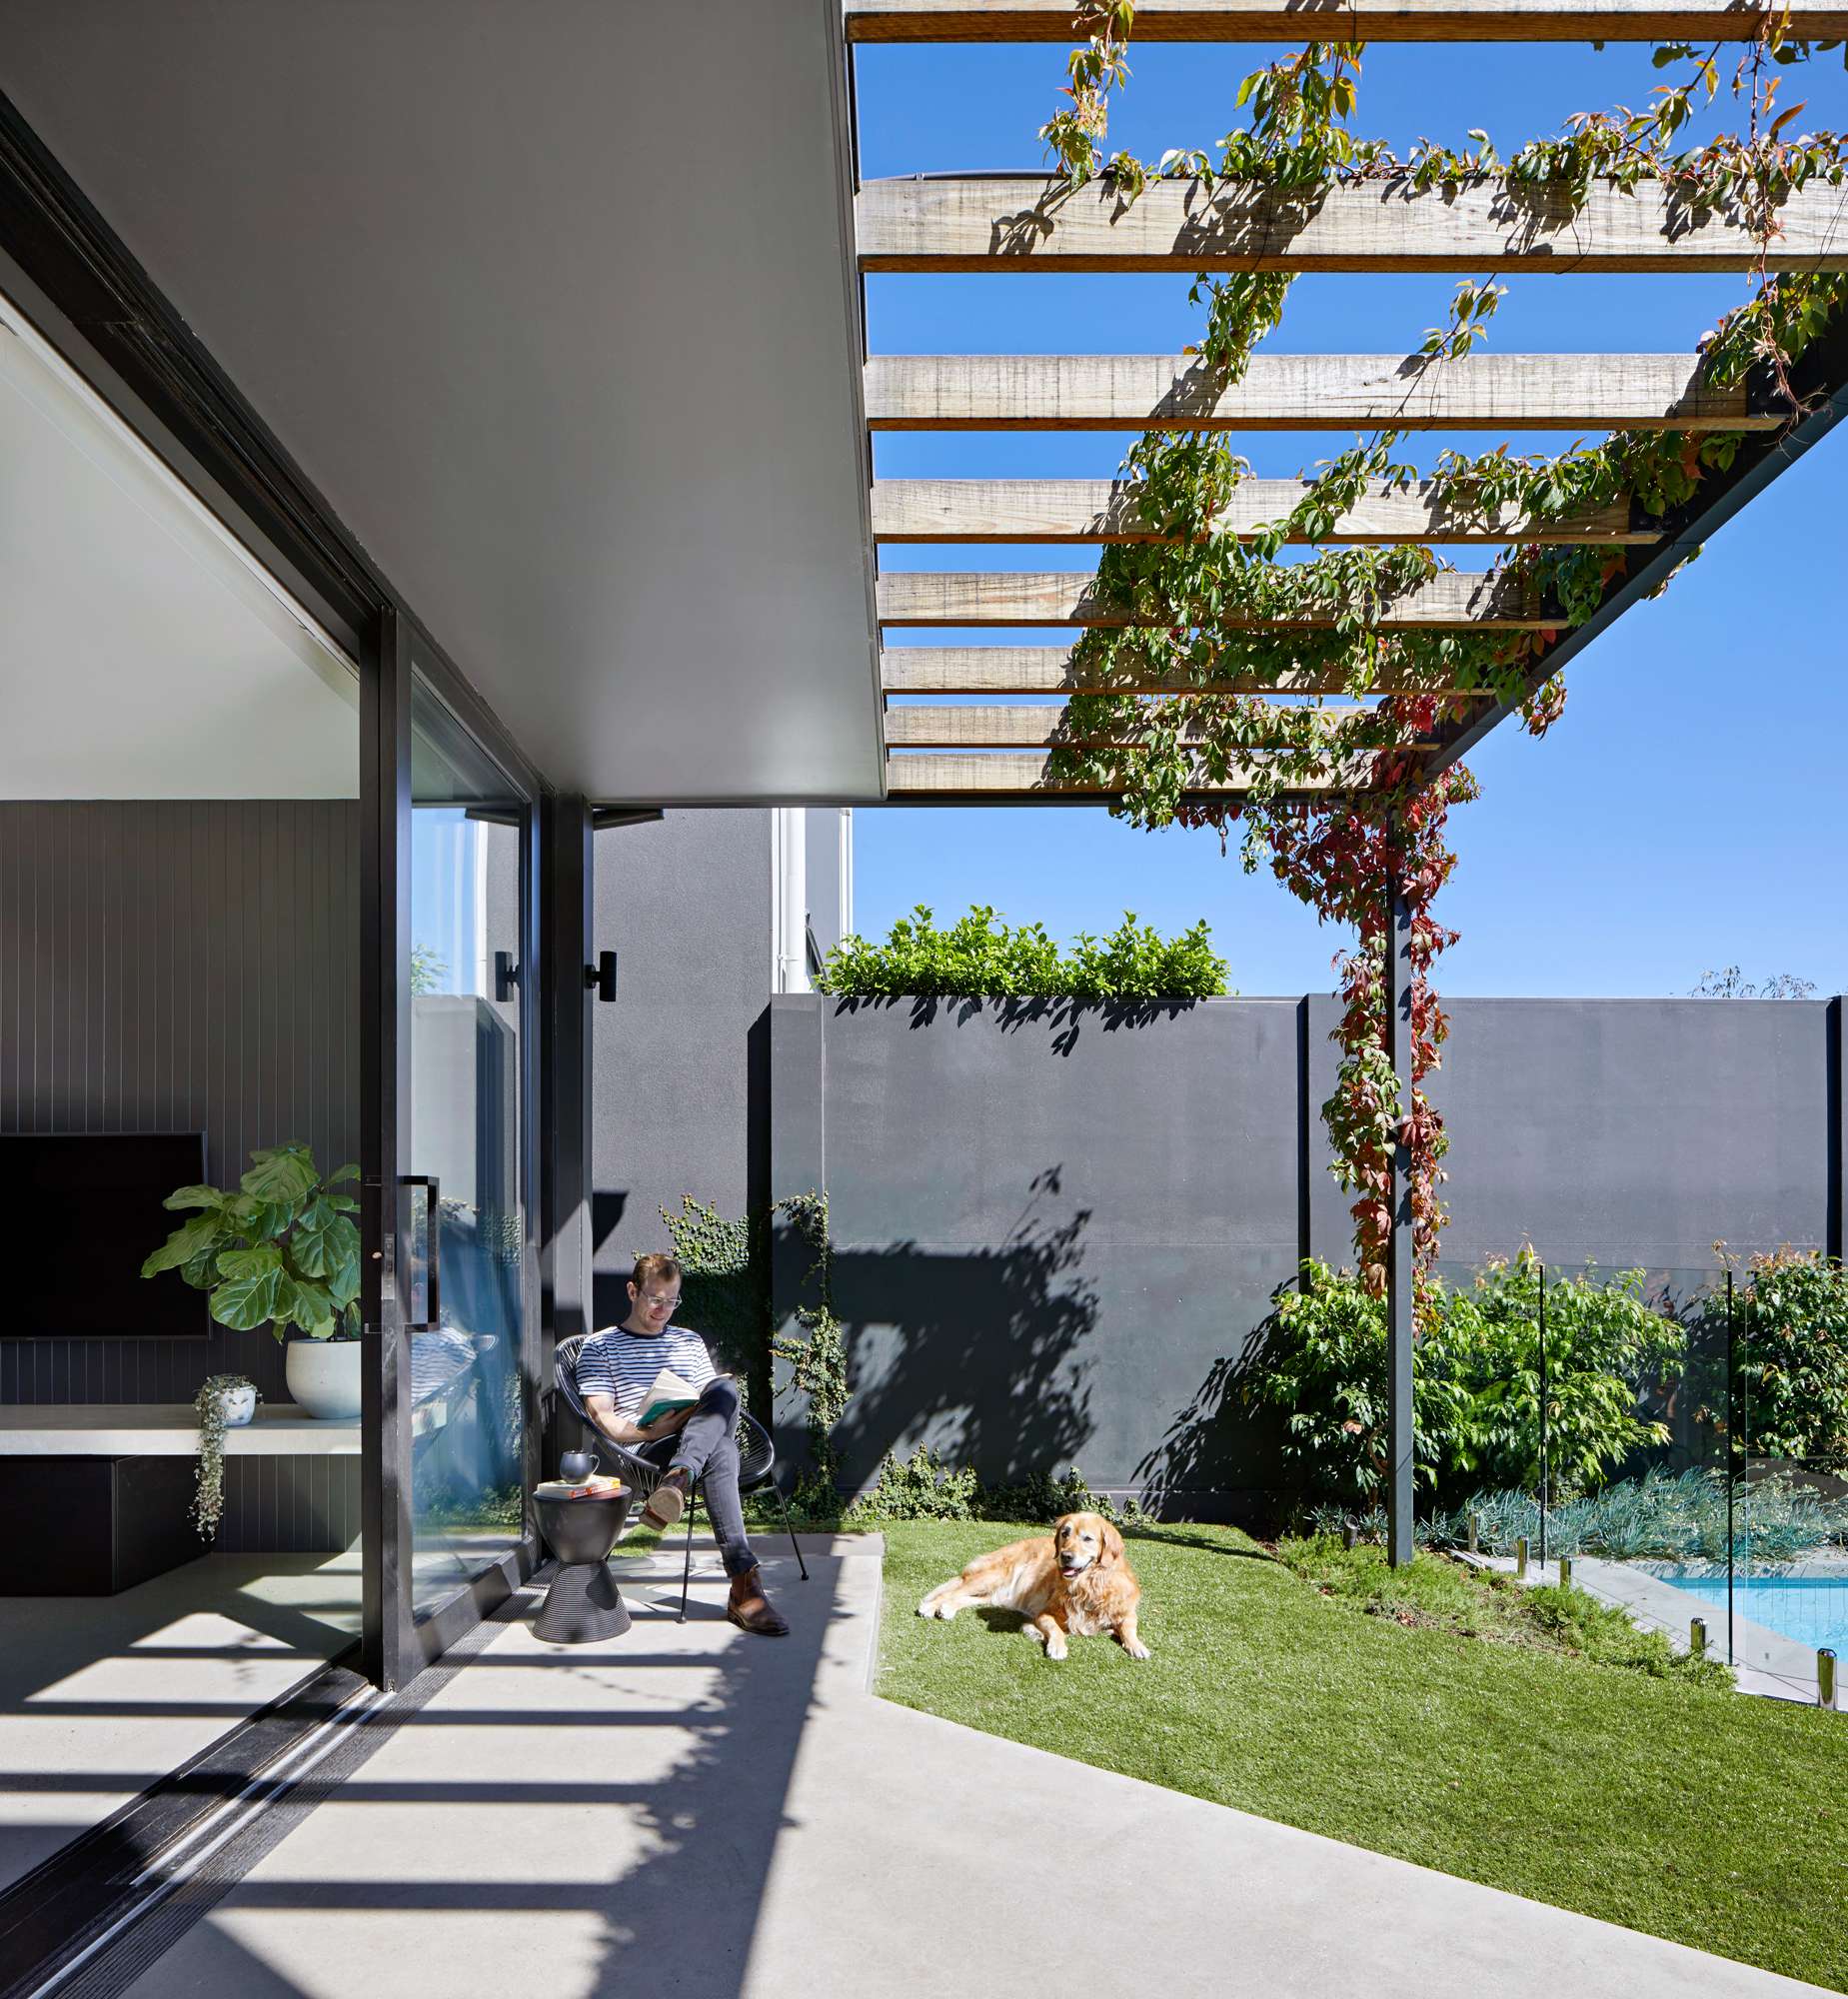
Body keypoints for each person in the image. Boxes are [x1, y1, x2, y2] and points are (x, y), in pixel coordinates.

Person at [576, 1252, 789, 1636]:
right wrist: (651, 1433)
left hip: (692, 1444)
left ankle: (680, 1477)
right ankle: (745, 1586)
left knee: (724, 1390)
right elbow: (603, 1420)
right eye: (655, 1299)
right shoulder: (599, 1347)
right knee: (721, 1451)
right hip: (646, 1453)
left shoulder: (688, 1341)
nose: (663, 1310)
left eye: (672, 1301)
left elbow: (714, 1401)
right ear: (631, 1291)